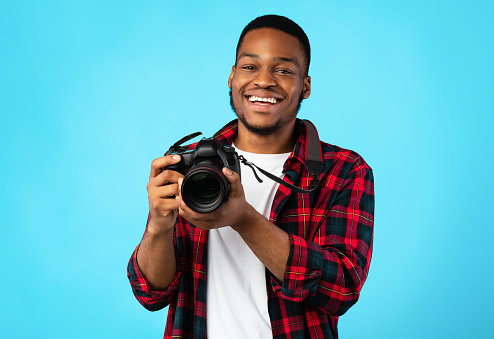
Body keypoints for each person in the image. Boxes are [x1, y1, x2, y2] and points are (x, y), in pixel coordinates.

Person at [128, 14, 374, 339]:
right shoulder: (191, 165)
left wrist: (244, 218)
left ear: (306, 86)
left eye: (283, 70)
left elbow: (341, 289)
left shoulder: (343, 169)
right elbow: (152, 294)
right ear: (231, 77)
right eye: (249, 67)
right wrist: (159, 228)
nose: (264, 80)